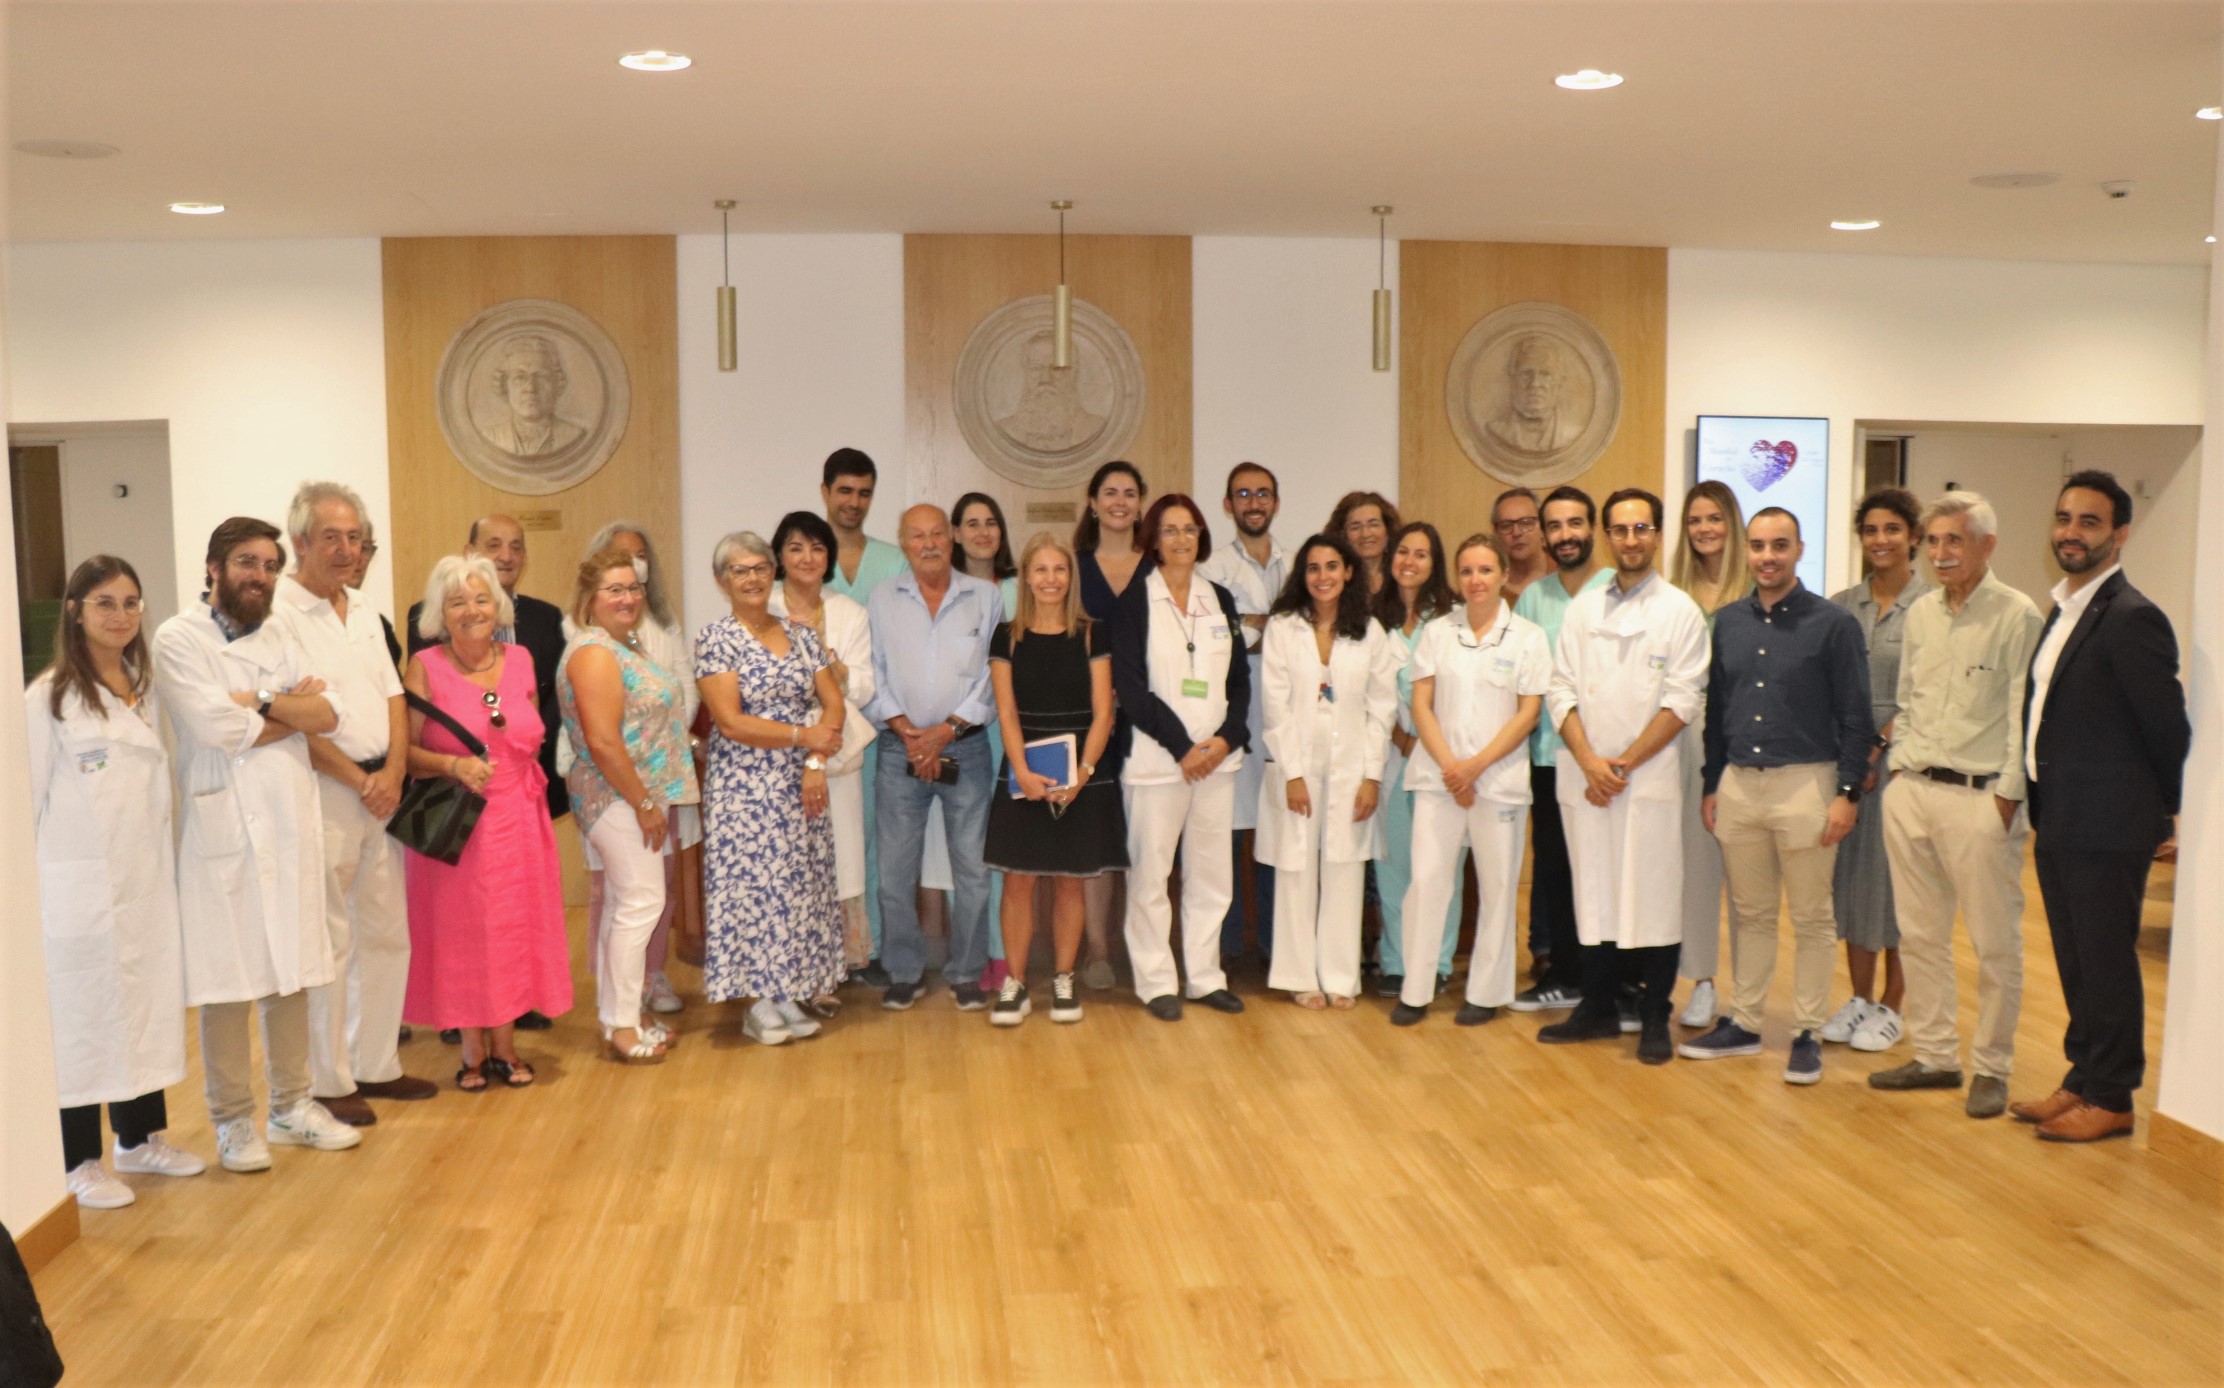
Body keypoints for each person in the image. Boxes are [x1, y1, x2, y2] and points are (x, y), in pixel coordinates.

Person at [154, 517, 362, 1171]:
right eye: (247, 562)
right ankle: (233, 1119)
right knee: (227, 980)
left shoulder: (281, 630)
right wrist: (288, 714)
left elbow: (332, 714)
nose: (261, 576)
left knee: (289, 970)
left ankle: (292, 1106)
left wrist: (259, 699)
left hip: (286, 820)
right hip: (222, 827)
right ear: (213, 567)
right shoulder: (177, 638)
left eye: (270, 566)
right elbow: (217, 729)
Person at [2014, 471, 2190, 1141]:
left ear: (2119, 534)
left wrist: (2168, 815)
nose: (2071, 532)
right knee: (2077, 958)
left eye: (2089, 521)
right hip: (2060, 815)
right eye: (2064, 518)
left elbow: (2167, 729)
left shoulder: (2132, 617)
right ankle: (2083, 1078)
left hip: (2109, 824)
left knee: (2107, 961)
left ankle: (2112, 1096)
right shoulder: (2065, 610)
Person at [1679, 509, 1873, 1083]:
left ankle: (1807, 1031)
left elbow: (1856, 717)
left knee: (1812, 917)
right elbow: (1717, 713)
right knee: (1752, 914)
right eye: (1759, 546)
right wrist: (1712, 784)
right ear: (1747, 551)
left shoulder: (1834, 625)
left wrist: (1846, 794)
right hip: (1740, 785)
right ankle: (1744, 1021)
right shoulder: (1727, 622)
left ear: (1799, 550)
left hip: (1806, 785)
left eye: (1779, 546)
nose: (1768, 557)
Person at [1867, 491, 2043, 1119]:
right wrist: (1899, 771)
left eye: (1954, 541)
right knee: (1919, 935)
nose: (1940, 554)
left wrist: (2007, 797)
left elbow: (2025, 715)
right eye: (1934, 541)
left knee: (1995, 945)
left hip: (1980, 799)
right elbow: (1908, 699)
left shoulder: (2017, 615)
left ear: (1986, 545)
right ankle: (1936, 1055)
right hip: (1913, 791)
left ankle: (1992, 1067)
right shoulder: (1921, 614)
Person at [31, 556, 200, 1208]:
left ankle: (139, 1138)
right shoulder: (47, 699)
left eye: (131, 603)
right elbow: (21, 806)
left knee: (142, 1010)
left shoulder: (143, 689)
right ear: (75, 611)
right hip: (76, 897)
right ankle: (76, 1161)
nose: (121, 615)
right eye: (105, 602)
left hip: (144, 888)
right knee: (81, 1023)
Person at [271, 483, 431, 1128]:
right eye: (331, 537)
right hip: (327, 791)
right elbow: (291, 717)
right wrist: (361, 780)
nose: (346, 550)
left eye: (355, 538)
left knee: (386, 931)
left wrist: (392, 770)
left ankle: (376, 1062)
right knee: (331, 940)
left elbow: (393, 695)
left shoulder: (362, 606)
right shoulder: (278, 613)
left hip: (381, 790)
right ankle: (330, 1080)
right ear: (301, 542)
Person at [1535, 489, 1709, 1065]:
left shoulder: (1680, 611)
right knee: (1595, 894)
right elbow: (1560, 688)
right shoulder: (1583, 610)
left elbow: (1682, 700)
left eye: (1641, 529)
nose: (1630, 540)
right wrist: (1591, 762)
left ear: (1657, 534)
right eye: (1620, 530)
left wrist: (1624, 764)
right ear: (1607, 536)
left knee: (1652, 896)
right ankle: (1597, 1008)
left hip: (1647, 780)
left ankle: (1655, 1013)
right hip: (1586, 779)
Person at [399, 555, 573, 1089]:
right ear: (440, 613)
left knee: (514, 931)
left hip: (520, 816)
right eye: (458, 602)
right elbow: (404, 752)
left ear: (497, 606)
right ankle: (471, 1050)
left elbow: (528, 732)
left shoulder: (520, 659)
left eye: (481, 599)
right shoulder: (424, 666)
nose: (472, 611)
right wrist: (453, 766)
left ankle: (506, 1045)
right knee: (464, 934)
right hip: (457, 820)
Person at [696, 532, 849, 1045]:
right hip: (744, 789)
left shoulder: (802, 635)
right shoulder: (716, 640)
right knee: (754, 891)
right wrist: (804, 736)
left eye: (760, 568)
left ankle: (786, 993)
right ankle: (757, 1004)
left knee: (796, 889)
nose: (753, 578)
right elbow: (731, 721)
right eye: (740, 570)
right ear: (722, 580)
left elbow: (833, 704)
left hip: (801, 784)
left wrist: (814, 761)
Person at [1395, 533, 1552, 1028]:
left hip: (1498, 780)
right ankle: (1416, 990)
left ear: (1504, 575)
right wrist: (1452, 767)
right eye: (1466, 571)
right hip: (1438, 778)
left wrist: (1475, 766)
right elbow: (1421, 705)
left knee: (1498, 886)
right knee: (1427, 883)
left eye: (1485, 570)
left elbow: (1528, 714)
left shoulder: (1528, 637)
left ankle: (1486, 993)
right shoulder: (1437, 632)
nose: (1476, 580)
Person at [1111, 494, 1251, 1021]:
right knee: (1151, 876)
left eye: (1190, 529)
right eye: (1169, 530)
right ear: (1152, 539)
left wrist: (1226, 739)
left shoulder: (1220, 599)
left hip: (1217, 763)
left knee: (1211, 875)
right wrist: (1183, 748)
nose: (1181, 539)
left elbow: (1239, 682)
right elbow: (1132, 689)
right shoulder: (1133, 603)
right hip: (1157, 764)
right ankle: (1155, 982)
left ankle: (1205, 977)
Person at [559, 546, 699, 1064]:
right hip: (615, 794)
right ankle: (622, 1025)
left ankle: (621, 1014)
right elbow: (602, 740)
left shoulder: (625, 643)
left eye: (633, 588)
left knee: (626, 903)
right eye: (614, 589)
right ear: (589, 597)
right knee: (642, 902)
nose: (627, 598)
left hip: (634, 792)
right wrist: (642, 802)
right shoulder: (595, 652)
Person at [983, 531, 1128, 1026]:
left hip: (1081, 774)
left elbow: (1104, 712)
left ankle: (1064, 978)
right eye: (1041, 570)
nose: (1051, 579)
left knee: (1070, 882)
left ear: (1072, 577)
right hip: (1024, 771)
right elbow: (1006, 711)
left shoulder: (1092, 634)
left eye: (1060, 569)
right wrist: (1021, 771)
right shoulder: (1006, 636)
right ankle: (1016, 983)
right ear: (1026, 577)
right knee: (1017, 882)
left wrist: (1082, 775)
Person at [864, 505, 1002, 1011]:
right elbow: (873, 671)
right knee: (894, 873)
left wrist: (945, 732)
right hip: (898, 748)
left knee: (974, 872)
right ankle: (904, 971)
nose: (928, 544)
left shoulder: (984, 596)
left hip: (966, 747)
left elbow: (992, 676)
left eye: (937, 534)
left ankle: (966, 971)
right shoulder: (882, 598)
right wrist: (908, 731)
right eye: (917, 536)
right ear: (903, 543)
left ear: (952, 538)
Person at [1255, 535, 1399, 1009]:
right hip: (1297, 765)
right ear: (1303, 575)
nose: (1323, 577)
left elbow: (1382, 709)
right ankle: (1299, 975)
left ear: (1348, 572)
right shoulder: (1283, 628)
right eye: (1314, 568)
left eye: (1332, 567)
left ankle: (1340, 976)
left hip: (1351, 769)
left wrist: (1372, 777)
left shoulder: (1370, 632)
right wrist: (1292, 773)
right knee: (1296, 869)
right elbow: (1274, 706)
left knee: (1344, 869)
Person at [1821, 488, 1928, 1053]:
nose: (1880, 540)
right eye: (1871, 530)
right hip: (1849, 764)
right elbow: (1827, 689)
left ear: (1913, 537)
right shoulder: (1840, 606)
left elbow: (1922, 695)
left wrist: (1873, 751)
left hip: (1905, 767)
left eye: (1892, 529)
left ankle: (1893, 1006)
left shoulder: (1932, 606)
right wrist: (1849, 757)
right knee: (1853, 883)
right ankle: (1860, 999)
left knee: (1899, 887)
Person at [1509, 486, 1611, 1012]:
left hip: (1607, 760)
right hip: (1549, 757)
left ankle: (1614, 979)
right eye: (1554, 526)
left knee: (1608, 870)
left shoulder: (1616, 588)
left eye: (1575, 523)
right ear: (1544, 536)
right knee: (1556, 868)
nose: (1565, 535)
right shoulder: (1534, 599)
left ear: (1592, 528)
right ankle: (1566, 974)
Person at [766, 511, 878, 983]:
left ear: (829, 556)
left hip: (834, 750)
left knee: (839, 858)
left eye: (817, 547)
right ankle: (789, 970)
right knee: (785, 861)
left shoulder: (850, 612)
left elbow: (865, 688)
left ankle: (830, 969)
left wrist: (832, 666)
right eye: (795, 548)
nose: (807, 557)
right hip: (776, 751)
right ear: (779, 556)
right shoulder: (761, 606)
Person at [819, 447, 908, 985]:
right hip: (823, 733)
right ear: (826, 492)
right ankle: (821, 953)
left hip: (883, 728)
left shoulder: (893, 561)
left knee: (871, 842)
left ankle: (865, 951)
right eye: (845, 491)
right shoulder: (806, 558)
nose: (854, 502)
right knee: (821, 843)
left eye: (864, 493)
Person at [1198, 462, 1288, 969]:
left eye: (1263, 494)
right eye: (1244, 494)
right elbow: (1220, 641)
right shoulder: (1211, 571)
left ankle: (1277, 949)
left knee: (1277, 834)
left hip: (1284, 716)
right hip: (1232, 714)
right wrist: (1268, 627)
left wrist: (1249, 624)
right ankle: (1229, 950)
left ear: (1276, 502)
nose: (1254, 503)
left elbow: (1301, 635)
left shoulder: (1297, 565)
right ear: (1228, 504)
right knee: (1228, 837)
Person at [1668, 480, 1750, 1030]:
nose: (1705, 529)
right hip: (1688, 735)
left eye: (1714, 518)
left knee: (1748, 876)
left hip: (1747, 739)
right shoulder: (1673, 594)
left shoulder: (1758, 588)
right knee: (1696, 869)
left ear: (1732, 525)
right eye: (1695, 520)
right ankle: (1701, 982)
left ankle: (1749, 989)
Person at [1371, 521, 1463, 999]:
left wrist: (1422, 742)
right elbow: (1363, 691)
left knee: (1441, 867)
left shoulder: (1453, 621)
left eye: (1421, 554)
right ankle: (1396, 961)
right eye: (1403, 551)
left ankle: (1437, 962)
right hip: (1390, 757)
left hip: (1441, 758)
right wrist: (1399, 738)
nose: (1409, 562)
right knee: (1392, 866)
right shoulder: (1372, 619)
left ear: (1435, 563)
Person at [1071, 459, 1152, 989]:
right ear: (1094, 502)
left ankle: (1145, 950)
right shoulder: (1075, 568)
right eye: (1110, 493)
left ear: (1140, 504)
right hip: (1092, 719)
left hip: (1150, 721)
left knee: (1146, 837)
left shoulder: (1159, 565)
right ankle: (1098, 949)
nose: (1120, 502)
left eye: (1129, 493)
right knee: (1098, 836)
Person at [950, 492, 1019, 982]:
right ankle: (977, 951)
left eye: (991, 522)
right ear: (956, 533)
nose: (983, 532)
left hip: (1011, 731)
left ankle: (1005, 952)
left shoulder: (1018, 590)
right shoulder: (946, 591)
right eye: (972, 523)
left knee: (1006, 846)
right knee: (970, 850)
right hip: (966, 733)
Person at [1486, 336, 1582, 455]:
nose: (1535, 383)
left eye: (1546, 374)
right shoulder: (1497, 431)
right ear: (1513, 379)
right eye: (1526, 374)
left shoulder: (1571, 432)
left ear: (1560, 381)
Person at [1326, 491, 1400, 598]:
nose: (1365, 534)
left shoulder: (1401, 577)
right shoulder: (1334, 580)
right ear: (1343, 535)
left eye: (1374, 525)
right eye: (1355, 527)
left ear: (1388, 530)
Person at [1491, 487, 1551, 604]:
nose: (1516, 533)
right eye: (1506, 525)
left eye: (1526, 523)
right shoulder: (1486, 584)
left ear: (1543, 527)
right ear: (1496, 533)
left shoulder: (1566, 574)